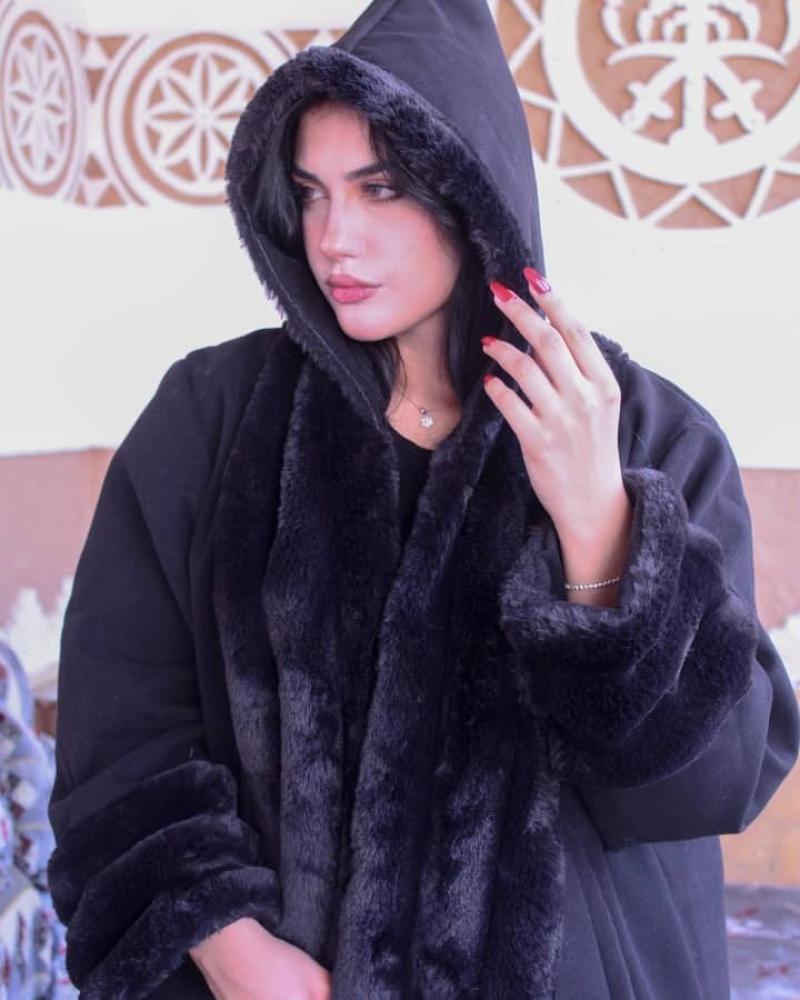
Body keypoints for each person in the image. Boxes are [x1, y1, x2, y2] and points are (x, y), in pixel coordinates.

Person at [47, 0, 799, 998]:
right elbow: (121, 732)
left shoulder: (645, 435)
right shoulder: (210, 418)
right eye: (310, 193)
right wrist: (230, 944)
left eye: (381, 188)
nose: (334, 238)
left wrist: (597, 522)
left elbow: (706, 786)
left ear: (470, 191)